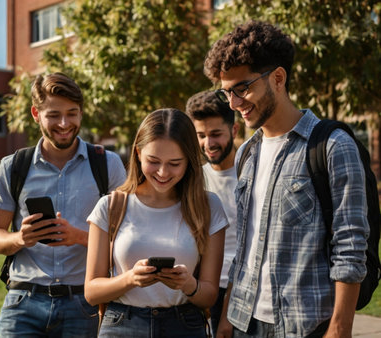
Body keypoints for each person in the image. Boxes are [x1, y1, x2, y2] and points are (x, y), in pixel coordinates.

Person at [204, 20, 369, 337]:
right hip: (244, 322)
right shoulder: (246, 155)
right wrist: (227, 315)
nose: (235, 103)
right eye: (227, 93)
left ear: (278, 78)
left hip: (305, 326)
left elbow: (350, 247)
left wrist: (339, 328)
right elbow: (246, 244)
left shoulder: (333, 147)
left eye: (243, 88)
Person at [0, 72, 127, 337]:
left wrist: (79, 237)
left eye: (72, 113)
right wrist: (21, 238)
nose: (64, 123)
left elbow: (128, 239)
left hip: (83, 304)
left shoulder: (108, 165)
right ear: (36, 114)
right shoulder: (13, 167)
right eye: (53, 115)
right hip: (23, 301)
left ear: (81, 113)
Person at [85, 108, 228, 337]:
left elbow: (209, 295)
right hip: (123, 325)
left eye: (174, 163)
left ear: (189, 161)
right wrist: (130, 279)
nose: (162, 172)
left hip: (185, 326)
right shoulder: (110, 206)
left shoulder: (208, 206)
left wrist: (188, 284)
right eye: (154, 161)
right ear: (138, 153)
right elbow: (91, 292)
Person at [186, 91, 239, 338]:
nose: (208, 143)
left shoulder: (251, 175)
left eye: (216, 134)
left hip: (241, 294)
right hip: (199, 292)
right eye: (201, 135)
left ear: (235, 131)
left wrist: (228, 311)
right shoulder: (192, 179)